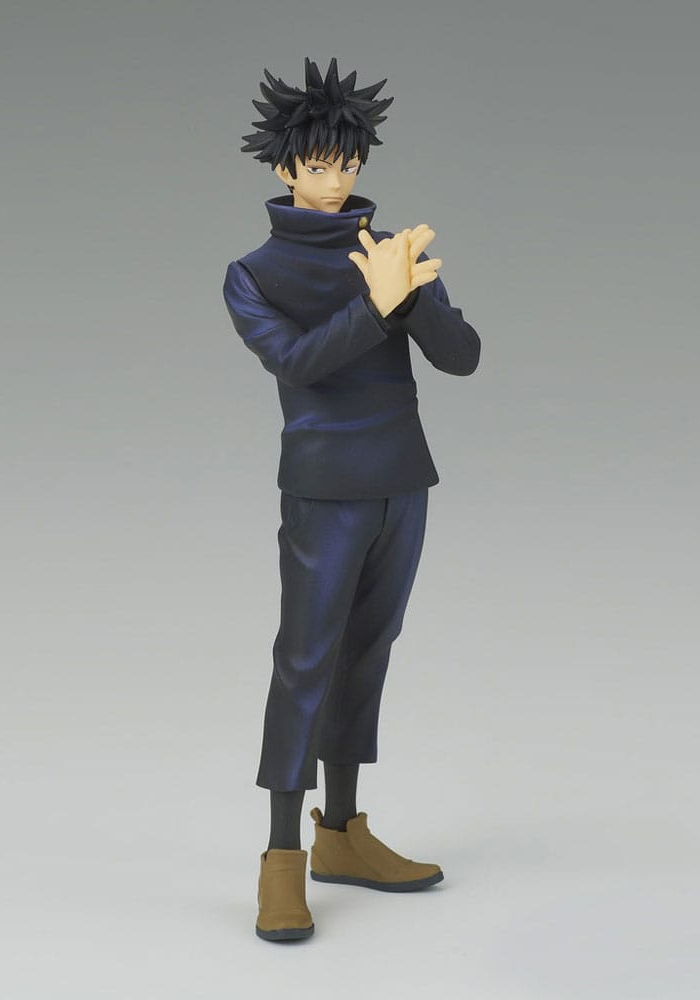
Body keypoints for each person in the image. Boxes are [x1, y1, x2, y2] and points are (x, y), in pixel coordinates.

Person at [222, 57, 481, 942]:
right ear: (285, 167)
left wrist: (409, 298)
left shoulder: (390, 251)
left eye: (350, 163)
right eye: (319, 164)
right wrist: (374, 307)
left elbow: (463, 358)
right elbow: (298, 365)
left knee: (367, 653)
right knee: (305, 661)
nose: (336, 180)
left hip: (401, 479)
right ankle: (280, 858)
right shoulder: (253, 273)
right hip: (324, 491)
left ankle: (342, 833)